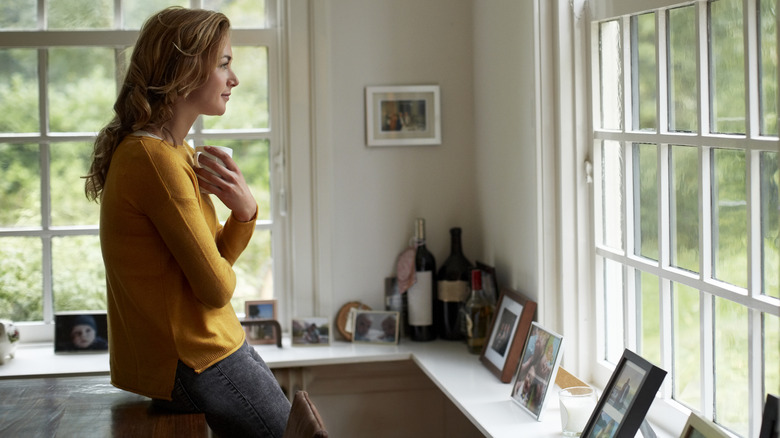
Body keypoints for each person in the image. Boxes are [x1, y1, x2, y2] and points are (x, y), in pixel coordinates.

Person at [84, 7, 290, 437]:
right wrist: (243, 215)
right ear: (184, 70)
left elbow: (211, 261)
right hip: (196, 358)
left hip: (209, 349)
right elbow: (216, 287)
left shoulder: (171, 153)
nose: (234, 79)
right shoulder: (154, 160)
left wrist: (245, 212)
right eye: (224, 64)